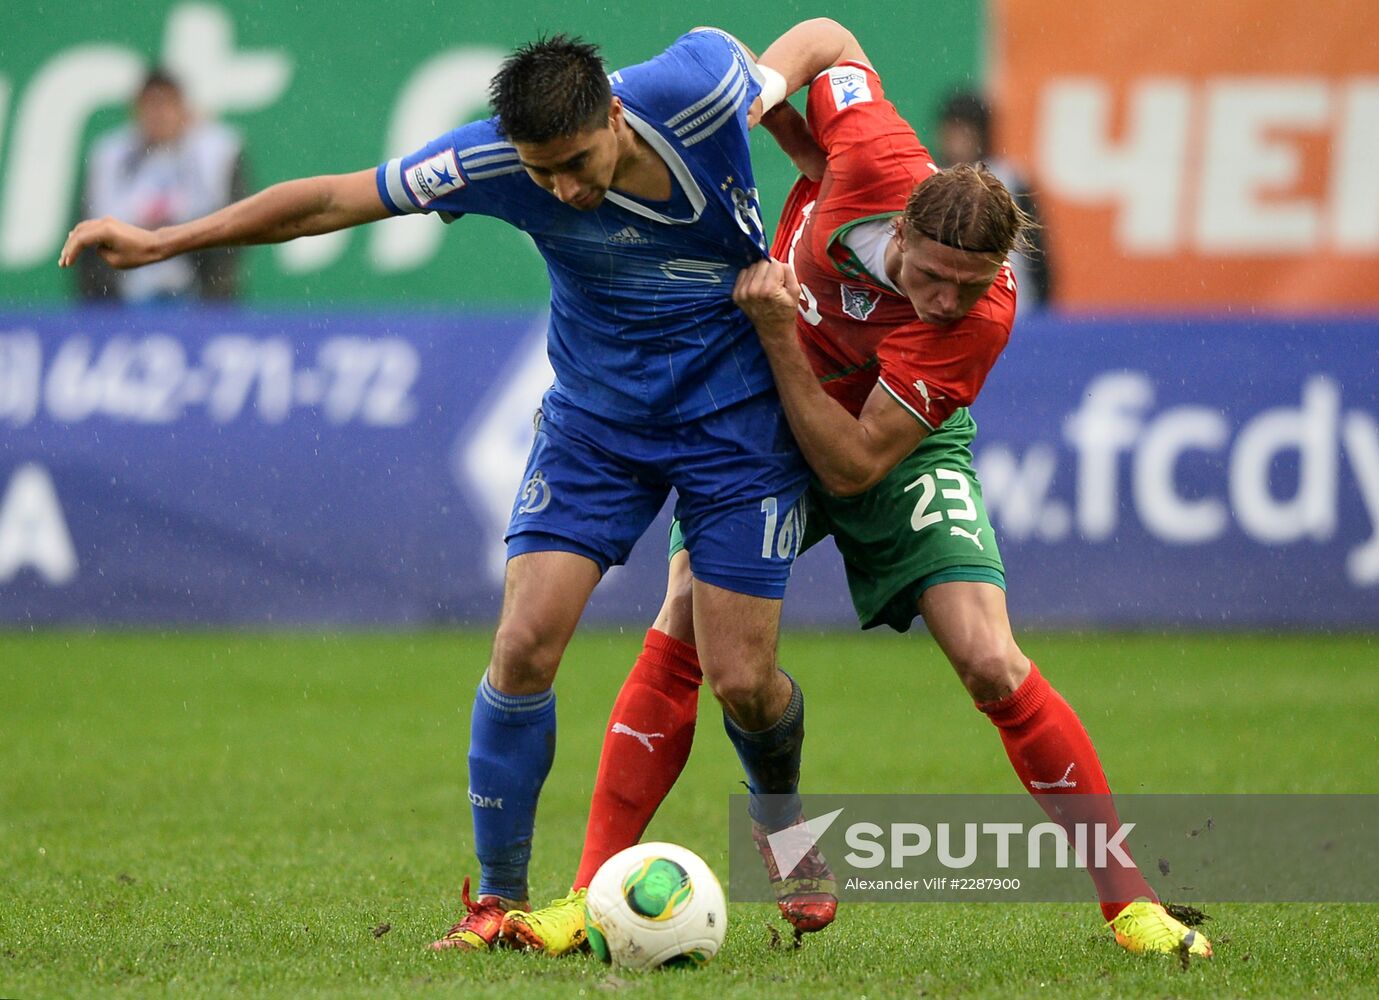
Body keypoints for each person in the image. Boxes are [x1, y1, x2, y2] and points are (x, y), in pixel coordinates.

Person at [60, 27, 819, 953]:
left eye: (577, 164)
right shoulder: (492, 161)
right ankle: (495, 902)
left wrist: (818, 154)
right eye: (543, 176)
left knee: (743, 681)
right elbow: (331, 201)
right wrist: (164, 240)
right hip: (596, 424)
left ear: (613, 115)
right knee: (523, 645)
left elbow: (821, 40)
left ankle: (788, 842)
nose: (564, 191)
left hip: (734, 418)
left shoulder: (701, 85)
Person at [503, 19, 1211, 962]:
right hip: (760, 424)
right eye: (933, 277)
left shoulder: (973, 320)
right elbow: (830, 39)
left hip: (886, 442)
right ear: (905, 223)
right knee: (717, 661)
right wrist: (758, 97)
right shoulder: (877, 151)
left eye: (972, 285)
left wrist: (778, 334)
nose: (947, 301)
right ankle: (612, 887)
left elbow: (851, 464)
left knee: (988, 659)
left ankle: (1130, 905)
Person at [77, 69, 246, 303]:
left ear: (184, 109)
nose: (159, 116)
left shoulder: (217, 152)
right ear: (135, 110)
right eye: (151, 106)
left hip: (196, 281)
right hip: (127, 284)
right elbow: (91, 225)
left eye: (167, 105)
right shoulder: (110, 156)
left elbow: (233, 221)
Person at [936, 90, 1053, 315]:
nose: (956, 142)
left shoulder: (1009, 180)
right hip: (953, 313)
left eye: (964, 132)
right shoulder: (931, 179)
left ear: (981, 135)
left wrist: (1043, 307)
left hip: (1014, 311)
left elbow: (1037, 252)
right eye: (951, 132)